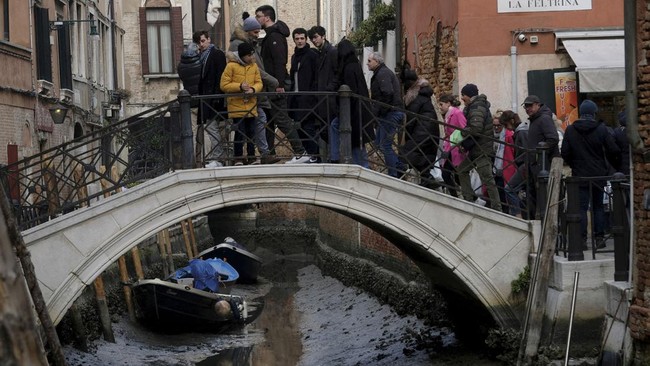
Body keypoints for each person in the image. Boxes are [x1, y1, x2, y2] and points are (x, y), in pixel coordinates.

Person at [561, 100, 621, 249]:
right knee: (598, 207)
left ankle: (582, 240)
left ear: (581, 113)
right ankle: (599, 238)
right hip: (598, 174)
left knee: (581, 208)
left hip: (580, 174)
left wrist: (574, 163)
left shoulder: (570, 130)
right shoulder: (601, 129)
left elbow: (565, 153)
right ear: (594, 113)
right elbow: (613, 149)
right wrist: (609, 165)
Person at [255, 5, 310, 164]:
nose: (257, 19)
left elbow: (279, 62)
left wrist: (278, 84)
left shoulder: (275, 37)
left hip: (275, 86)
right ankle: (269, 155)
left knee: (282, 120)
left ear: (266, 17)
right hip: (270, 85)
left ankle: (301, 152)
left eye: (259, 16)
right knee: (269, 121)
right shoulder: (271, 35)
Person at [228, 12, 280, 164]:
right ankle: (245, 156)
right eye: (256, 32)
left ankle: (256, 155)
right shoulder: (238, 49)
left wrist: (256, 88)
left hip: (254, 96)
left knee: (254, 124)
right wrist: (241, 86)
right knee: (242, 128)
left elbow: (256, 75)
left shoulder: (251, 46)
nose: (258, 34)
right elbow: (226, 82)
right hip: (241, 98)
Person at [328, 39, 374, 167]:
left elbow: (350, 90)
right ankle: (341, 159)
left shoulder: (348, 67)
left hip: (353, 111)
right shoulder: (354, 64)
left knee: (355, 142)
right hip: (357, 110)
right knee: (355, 141)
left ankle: (337, 158)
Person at [455, 83, 501, 211]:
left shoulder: (477, 106)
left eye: (463, 95)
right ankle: (470, 199)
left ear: (469, 95)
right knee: (462, 170)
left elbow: (476, 128)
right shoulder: (476, 106)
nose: (462, 98)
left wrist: (461, 133)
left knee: (487, 178)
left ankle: (497, 209)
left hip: (482, 149)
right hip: (477, 148)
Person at [220, 43, 263, 166]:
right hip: (236, 105)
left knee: (251, 132)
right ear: (242, 56)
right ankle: (238, 158)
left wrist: (253, 89)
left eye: (252, 54)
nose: (251, 57)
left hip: (251, 104)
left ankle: (251, 157)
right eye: (249, 55)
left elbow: (259, 82)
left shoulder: (254, 66)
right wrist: (239, 87)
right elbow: (224, 85)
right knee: (239, 132)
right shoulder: (231, 66)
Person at [399, 70, 440, 188]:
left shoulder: (415, 97)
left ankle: (398, 176)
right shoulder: (423, 94)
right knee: (423, 155)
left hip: (422, 130)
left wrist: (407, 136)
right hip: (429, 129)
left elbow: (411, 119)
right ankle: (427, 179)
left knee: (406, 153)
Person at [367, 51, 405, 178]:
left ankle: (394, 173)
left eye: (369, 61)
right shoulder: (381, 73)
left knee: (385, 145)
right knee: (379, 143)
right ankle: (399, 167)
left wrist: (379, 112)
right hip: (389, 113)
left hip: (391, 113)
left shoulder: (382, 73)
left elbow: (387, 93)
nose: (367, 64)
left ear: (377, 62)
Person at [522, 95, 559, 218]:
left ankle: (543, 222)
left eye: (530, 105)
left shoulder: (543, 119)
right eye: (526, 106)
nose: (528, 108)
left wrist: (540, 151)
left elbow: (553, 138)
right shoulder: (536, 119)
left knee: (543, 197)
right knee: (536, 197)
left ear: (538, 105)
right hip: (537, 164)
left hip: (543, 165)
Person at [193, 30, 227, 168]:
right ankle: (218, 157)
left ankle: (218, 158)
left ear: (208, 39)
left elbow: (220, 75)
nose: (201, 45)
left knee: (213, 128)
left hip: (214, 99)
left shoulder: (216, 54)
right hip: (207, 99)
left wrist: (217, 97)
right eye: (198, 43)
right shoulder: (201, 57)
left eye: (202, 41)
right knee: (211, 128)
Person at [308, 25, 339, 156]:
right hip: (323, 98)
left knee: (331, 128)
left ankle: (334, 157)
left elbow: (338, 73)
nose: (314, 41)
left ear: (323, 36)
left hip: (329, 98)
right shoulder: (320, 53)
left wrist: (330, 88)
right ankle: (330, 157)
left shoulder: (332, 51)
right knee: (325, 130)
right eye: (312, 38)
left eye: (315, 37)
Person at [289, 27, 320, 158]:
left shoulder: (312, 55)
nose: (300, 41)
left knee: (308, 128)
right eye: (297, 39)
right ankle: (309, 154)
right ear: (294, 40)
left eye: (302, 38)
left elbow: (316, 76)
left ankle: (315, 155)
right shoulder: (294, 57)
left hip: (309, 97)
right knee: (298, 127)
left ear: (306, 39)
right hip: (296, 97)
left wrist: (312, 94)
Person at [502, 110, 530, 217]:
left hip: (524, 165)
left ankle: (517, 215)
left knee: (509, 189)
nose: (506, 128)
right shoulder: (522, 130)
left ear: (512, 121)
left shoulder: (521, 132)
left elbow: (525, 152)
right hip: (525, 165)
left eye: (506, 124)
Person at [438, 94, 466, 197]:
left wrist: (462, 143)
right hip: (450, 148)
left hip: (457, 148)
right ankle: (456, 196)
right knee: (448, 174)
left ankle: (465, 196)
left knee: (456, 175)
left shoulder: (457, 113)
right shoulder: (447, 115)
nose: (440, 107)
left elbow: (464, 127)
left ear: (448, 103)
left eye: (441, 104)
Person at [492, 110, 516, 213]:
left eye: (499, 126)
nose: (496, 128)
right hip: (496, 168)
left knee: (504, 193)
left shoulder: (508, 135)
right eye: (494, 126)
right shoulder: (493, 136)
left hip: (505, 168)